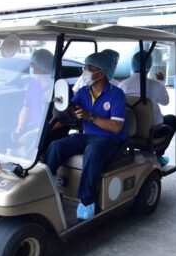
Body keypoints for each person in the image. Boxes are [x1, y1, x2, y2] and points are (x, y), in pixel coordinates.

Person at [44, 52, 127, 220]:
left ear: (102, 73)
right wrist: (58, 116)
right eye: (85, 68)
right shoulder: (83, 91)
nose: (85, 71)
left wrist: (91, 117)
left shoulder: (116, 94)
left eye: (89, 68)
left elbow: (116, 127)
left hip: (110, 139)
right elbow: (69, 110)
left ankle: (87, 201)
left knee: (93, 150)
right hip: (88, 136)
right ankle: (45, 187)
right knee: (57, 145)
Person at [119, 51, 176, 166]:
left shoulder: (122, 85)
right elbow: (165, 102)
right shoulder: (155, 84)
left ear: (132, 64)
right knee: (172, 119)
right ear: (149, 66)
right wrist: (160, 82)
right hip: (151, 131)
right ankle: (159, 154)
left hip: (129, 129)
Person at [15, 49, 54, 146]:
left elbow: (57, 120)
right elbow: (26, 108)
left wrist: (33, 133)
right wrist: (19, 128)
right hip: (33, 129)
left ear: (42, 65)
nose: (30, 66)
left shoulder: (55, 87)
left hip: (48, 132)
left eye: (33, 64)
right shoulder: (33, 84)